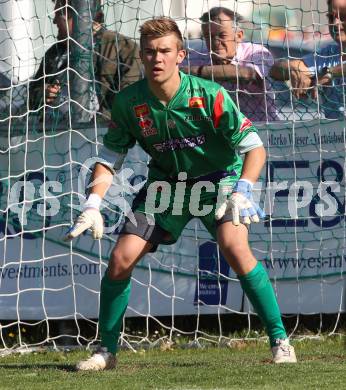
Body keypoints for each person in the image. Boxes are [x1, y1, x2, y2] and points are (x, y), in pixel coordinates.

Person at [64, 17, 296, 370]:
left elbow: (255, 148)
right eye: (150, 52)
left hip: (220, 182)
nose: (157, 58)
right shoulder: (129, 102)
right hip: (167, 187)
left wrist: (244, 190)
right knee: (120, 258)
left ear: (181, 55)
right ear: (141, 56)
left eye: (165, 51)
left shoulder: (210, 95)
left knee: (234, 247)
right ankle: (105, 352)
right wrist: (93, 203)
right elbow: (110, 157)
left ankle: (281, 341)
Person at [29, 0, 142, 119]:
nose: (54, 21)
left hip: (102, 132)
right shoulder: (55, 52)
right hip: (54, 132)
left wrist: (101, 123)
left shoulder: (121, 48)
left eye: (60, 15)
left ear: (84, 17)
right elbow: (32, 96)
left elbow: (130, 97)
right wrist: (43, 93)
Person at [182, 7, 279, 122]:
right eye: (209, 37)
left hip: (260, 129)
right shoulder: (197, 57)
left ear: (238, 36)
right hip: (218, 132)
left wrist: (197, 72)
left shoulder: (256, 53)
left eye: (222, 35)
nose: (216, 42)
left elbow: (247, 74)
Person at [270, 0, 346, 119]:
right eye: (331, 17)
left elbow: (331, 71)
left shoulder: (327, 67)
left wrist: (330, 73)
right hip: (336, 135)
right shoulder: (328, 54)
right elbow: (275, 71)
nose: (336, 23)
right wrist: (294, 68)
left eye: (344, 16)